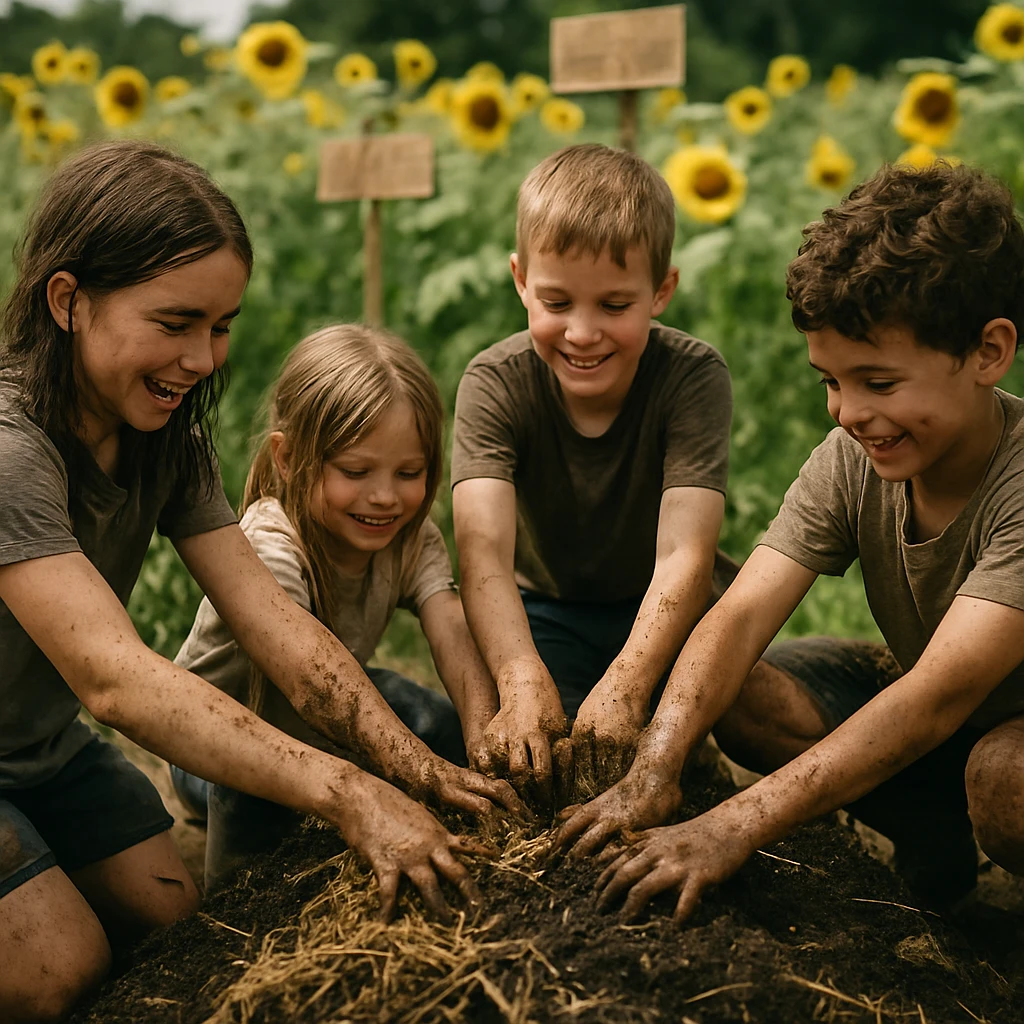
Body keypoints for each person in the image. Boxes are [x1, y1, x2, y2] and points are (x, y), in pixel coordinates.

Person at [0, 141, 517, 1024]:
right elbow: (115, 681)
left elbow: (274, 621)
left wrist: (414, 767)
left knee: (179, 924)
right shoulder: (13, 452)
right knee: (58, 970)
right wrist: (351, 793)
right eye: (175, 324)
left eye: (222, 325)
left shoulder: (165, 438)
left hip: (37, 751)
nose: (203, 358)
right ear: (68, 302)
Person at [556, 161, 1024, 920]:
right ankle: (926, 827)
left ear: (988, 352)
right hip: (940, 721)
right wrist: (658, 762)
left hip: (993, 729)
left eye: (877, 382)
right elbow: (740, 615)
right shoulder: (856, 456)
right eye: (829, 382)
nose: (846, 412)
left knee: (1005, 783)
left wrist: (731, 825)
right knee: (717, 661)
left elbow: (937, 697)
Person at [174, 324, 515, 888]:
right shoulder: (269, 547)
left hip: (336, 705)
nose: (385, 496)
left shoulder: (410, 536)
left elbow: (450, 627)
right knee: (261, 797)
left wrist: (482, 733)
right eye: (356, 472)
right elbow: (301, 689)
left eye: (409, 473)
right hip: (227, 732)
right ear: (287, 458)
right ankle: (233, 902)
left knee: (433, 718)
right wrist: (407, 769)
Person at [452, 143, 735, 807]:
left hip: (667, 607)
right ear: (520, 280)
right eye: (556, 302)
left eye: (614, 306)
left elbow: (685, 556)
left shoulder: (693, 377)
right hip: (547, 610)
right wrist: (521, 676)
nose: (582, 333)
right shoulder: (494, 383)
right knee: (548, 766)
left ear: (661, 291)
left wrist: (631, 682)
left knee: (701, 728)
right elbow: (482, 550)